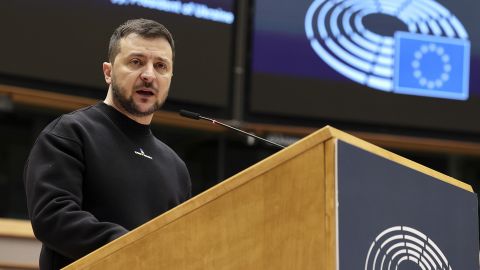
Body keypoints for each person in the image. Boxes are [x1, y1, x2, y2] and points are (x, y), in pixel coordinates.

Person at [23, 18, 191, 270]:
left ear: (170, 77)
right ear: (108, 72)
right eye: (136, 62)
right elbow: (52, 217)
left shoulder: (176, 168)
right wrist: (129, 246)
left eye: (160, 66)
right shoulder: (71, 133)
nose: (148, 75)